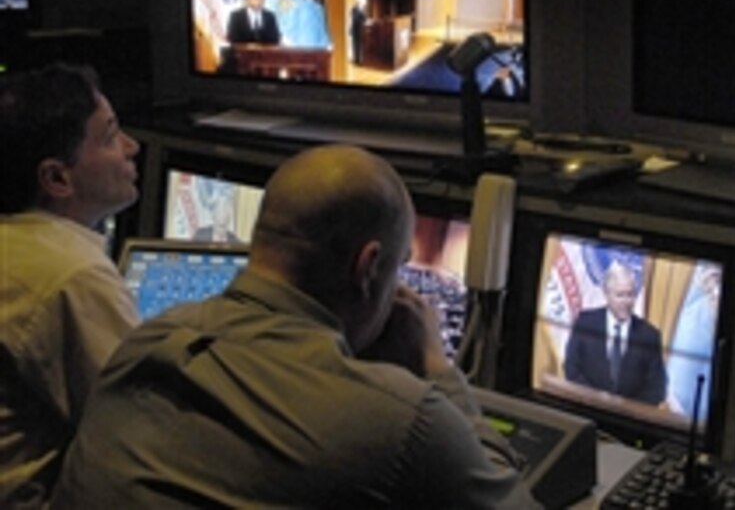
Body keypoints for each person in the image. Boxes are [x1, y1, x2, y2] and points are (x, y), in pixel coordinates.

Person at [51, 144, 538, 509]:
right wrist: (435, 369)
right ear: (369, 267)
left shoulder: (142, 344)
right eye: (398, 269)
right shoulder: (401, 419)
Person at [0, 63, 141, 508]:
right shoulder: (72, 274)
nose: (132, 148)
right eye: (110, 136)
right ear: (57, 178)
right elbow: (141, 430)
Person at [563, 262, 668, 405]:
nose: (626, 301)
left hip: (628, 420)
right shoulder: (585, 322)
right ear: (606, 294)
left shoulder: (649, 335)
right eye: (620, 295)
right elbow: (571, 368)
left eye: (630, 295)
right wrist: (596, 399)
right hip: (587, 408)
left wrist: (625, 408)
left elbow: (657, 389)